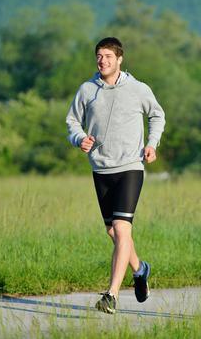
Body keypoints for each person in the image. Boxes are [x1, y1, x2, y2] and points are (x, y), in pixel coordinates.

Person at [65, 37, 165, 314]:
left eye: (108, 56)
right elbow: (72, 120)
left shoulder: (137, 88)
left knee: (122, 228)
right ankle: (140, 269)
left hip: (130, 166)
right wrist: (79, 138)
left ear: (120, 59)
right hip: (101, 168)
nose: (103, 60)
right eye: (99, 56)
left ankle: (111, 295)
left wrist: (152, 144)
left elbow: (157, 115)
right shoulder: (87, 90)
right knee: (113, 230)